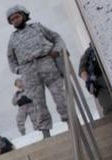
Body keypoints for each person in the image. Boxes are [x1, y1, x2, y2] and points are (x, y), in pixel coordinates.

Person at [6, 4, 67, 138]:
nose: (15, 20)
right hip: (28, 72)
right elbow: (11, 59)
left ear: (23, 15)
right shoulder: (13, 39)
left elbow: (57, 38)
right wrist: (18, 69)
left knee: (60, 96)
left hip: (46, 63)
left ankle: (70, 121)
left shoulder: (37, 27)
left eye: (17, 17)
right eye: (12, 19)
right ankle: (46, 133)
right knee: (38, 103)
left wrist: (57, 50)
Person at [79, 43, 112, 116]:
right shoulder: (89, 52)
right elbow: (82, 70)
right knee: (109, 108)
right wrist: (89, 82)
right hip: (101, 84)